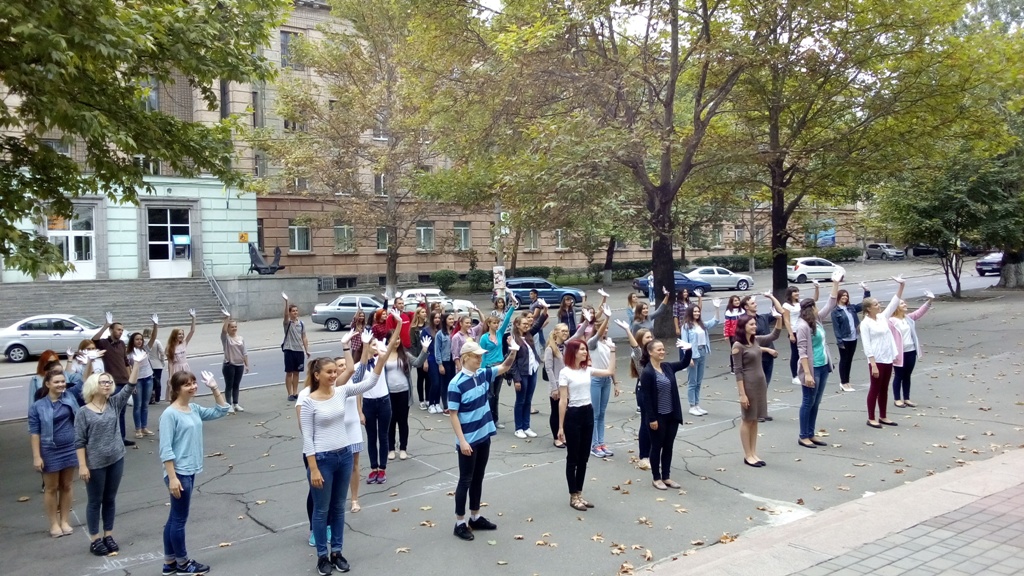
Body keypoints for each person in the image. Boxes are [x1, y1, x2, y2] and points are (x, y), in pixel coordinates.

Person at [301, 335, 397, 575]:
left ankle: (337, 552)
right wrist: (313, 468)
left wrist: (380, 359)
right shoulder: (309, 401)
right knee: (321, 511)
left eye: (335, 372)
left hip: (343, 456)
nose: (334, 375)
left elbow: (370, 382)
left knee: (338, 508)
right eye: (329, 372)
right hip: (322, 460)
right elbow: (307, 438)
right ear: (317, 375)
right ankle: (322, 557)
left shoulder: (341, 392)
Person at [159, 369, 230, 576]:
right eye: (187, 384)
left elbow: (222, 410)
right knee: (179, 520)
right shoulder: (170, 414)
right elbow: (165, 450)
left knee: (174, 518)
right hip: (179, 473)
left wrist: (214, 388)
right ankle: (183, 564)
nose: (192, 387)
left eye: (193, 383)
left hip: (189, 470)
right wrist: (173, 478)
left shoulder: (194, 408)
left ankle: (170, 563)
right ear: (176, 389)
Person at [75, 352, 145, 555]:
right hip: (95, 464)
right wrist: (82, 465)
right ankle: (95, 539)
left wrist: (137, 364)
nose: (107, 385)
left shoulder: (114, 403)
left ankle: (108, 535)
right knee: (94, 501)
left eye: (109, 382)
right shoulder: (83, 412)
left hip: (116, 459)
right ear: (93, 385)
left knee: (110, 499)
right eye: (103, 382)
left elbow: (130, 386)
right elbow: (79, 441)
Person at [448, 338, 517, 541]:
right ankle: (460, 522)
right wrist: (462, 441)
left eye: (480, 356)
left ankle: (475, 517)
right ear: (465, 358)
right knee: (465, 480)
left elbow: (504, 367)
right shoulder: (456, 384)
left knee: (478, 477)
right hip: (468, 440)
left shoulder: (483, 373)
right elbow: (453, 414)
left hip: (484, 435)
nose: (480, 359)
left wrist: (513, 351)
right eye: (476, 356)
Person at [557, 339, 616, 510]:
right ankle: (573, 496)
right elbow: (563, 400)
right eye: (582, 349)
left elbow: (609, 371)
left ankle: (579, 493)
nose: (585, 352)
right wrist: (561, 427)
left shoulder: (587, 370)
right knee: (573, 457)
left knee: (584, 457)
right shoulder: (565, 372)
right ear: (573, 352)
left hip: (588, 412)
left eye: (585, 349)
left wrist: (612, 351)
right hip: (573, 414)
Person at [28, 368, 85, 538]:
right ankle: (53, 523)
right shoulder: (38, 406)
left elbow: (83, 381)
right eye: (57, 382)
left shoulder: (69, 397)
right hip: (50, 451)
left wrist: (89, 361)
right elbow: (34, 433)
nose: (61, 384)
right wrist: (37, 456)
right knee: (51, 488)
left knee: (67, 485)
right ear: (47, 384)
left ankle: (65, 521)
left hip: (70, 448)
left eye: (63, 381)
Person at [795, 273, 842, 449]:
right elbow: (802, 352)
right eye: (816, 306)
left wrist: (835, 283)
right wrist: (807, 374)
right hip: (812, 368)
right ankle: (803, 436)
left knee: (816, 401)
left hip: (823, 366)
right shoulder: (802, 326)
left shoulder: (817, 320)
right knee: (808, 401)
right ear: (811, 308)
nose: (818, 308)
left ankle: (811, 433)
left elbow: (831, 303)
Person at [640, 339, 693, 489]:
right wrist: (652, 419)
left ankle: (666, 477)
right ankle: (656, 478)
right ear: (650, 352)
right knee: (656, 446)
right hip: (657, 417)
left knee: (668, 446)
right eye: (659, 350)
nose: (662, 352)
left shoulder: (667, 367)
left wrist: (688, 350)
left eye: (663, 349)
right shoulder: (647, 372)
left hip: (671, 415)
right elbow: (646, 398)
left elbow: (684, 363)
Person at [732, 312, 783, 467]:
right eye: (752, 324)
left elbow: (774, 335)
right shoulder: (738, 346)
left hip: (760, 385)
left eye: (755, 324)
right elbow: (738, 371)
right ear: (743, 327)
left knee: (755, 420)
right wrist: (742, 394)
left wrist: (779, 318)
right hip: (748, 386)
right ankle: (747, 455)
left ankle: (754, 453)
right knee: (747, 420)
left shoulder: (755, 341)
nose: (755, 326)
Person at [860, 277, 906, 428]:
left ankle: (883, 416)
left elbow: (894, 303)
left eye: (878, 303)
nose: (879, 305)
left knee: (884, 388)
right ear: (868, 309)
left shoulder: (882, 317)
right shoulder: (865, 323)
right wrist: (873, 364)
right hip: (876, 359)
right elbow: (867, 345)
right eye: (875, 304)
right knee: (875, 388)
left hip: (887, 357)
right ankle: (871, 417)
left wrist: (901, 285)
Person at [738, 291, 788, 422]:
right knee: (755, 387)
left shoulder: (762, 318)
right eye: (752, 303)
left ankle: (762, 412)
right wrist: (767, 349)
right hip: (756, 357)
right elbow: (749, 345)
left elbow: (780, 311)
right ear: (746, 307)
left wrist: (771, 297)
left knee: (764, 385)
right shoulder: (744, 323)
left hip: (768, 356)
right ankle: (755, 413)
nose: (756, 304)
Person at [615, 319, 653, 470]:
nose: (651, 339)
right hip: (644, 392)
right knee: (646, 423)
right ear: (640, 340)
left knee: (655, 424)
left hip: (655, 392)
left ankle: (653, 453)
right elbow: (635, 347)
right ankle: (644, 456)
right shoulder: (639, 355)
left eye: (651, 336)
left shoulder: (654, 352)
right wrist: (627, 330)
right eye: (647, 337)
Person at [387, 332, 431, 461]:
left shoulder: (405, 355)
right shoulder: (383, 355)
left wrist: (424, 350)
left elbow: (417, 363)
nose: (396, 341)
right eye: (393, 339)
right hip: (388, 394)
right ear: (388, 341)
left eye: (398, 338)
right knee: (390, 421)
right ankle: (391, 449)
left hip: (404, 392)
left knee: (402, 421)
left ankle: (403, 448)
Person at [93, 312, 134, 446]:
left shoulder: (122, 344)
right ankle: (112, 438)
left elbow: (126, 362)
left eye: (122, 330)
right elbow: (94, 340)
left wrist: (131, 381)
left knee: (121, 412)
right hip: (112, 383)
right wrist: (106, 325)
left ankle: (121, 438)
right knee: (112, 412)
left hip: (124, 382)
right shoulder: (104, 343)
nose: (120, 332)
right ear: (111, 330)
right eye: (118, 329)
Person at [890, 290, 934, 408]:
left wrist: (930, 300)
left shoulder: (908, 318)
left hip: (911, 351)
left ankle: (907, 398)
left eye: (905, 303)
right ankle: (897, 399)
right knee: (898, 375)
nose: (905, 304)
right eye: (902, 303)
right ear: (896, 307)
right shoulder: (891, 321)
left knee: (907, 375)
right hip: (899, 353)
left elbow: (920, 312)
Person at [510, 307, 548, 439]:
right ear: (517, 325)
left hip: (532, 371)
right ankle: (518, 428)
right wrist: (516, 379)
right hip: (522, 374)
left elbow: (537, 325)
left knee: (528, 400)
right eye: (524, 324)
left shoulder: (528, 335)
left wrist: (544, 311)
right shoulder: (513, 339)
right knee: (520, 401)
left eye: (528, 324)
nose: (527, 326)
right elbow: (512, 362)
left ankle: (526, 426)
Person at [361, 333, 394, 485]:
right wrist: (359, 412)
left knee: (383, 436)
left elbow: (391, 344)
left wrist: (399, 325)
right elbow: (357, 390)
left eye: (376, 344)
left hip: (384, 401)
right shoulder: (360, 365)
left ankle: (382, 468)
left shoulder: (379, 360)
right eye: (373, 344)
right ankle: (373, 468)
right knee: (371, 437)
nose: (376, 347)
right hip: (368, 403)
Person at [680, 300, 723, 416]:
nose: (697, 313)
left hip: (702, 352)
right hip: (693, 354)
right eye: (694, 311)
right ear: (690, 312)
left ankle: (697, 404)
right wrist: (688, 358)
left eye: (698, 311)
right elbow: (684, 343)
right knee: (692, 381)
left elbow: (715, 321)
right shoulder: (686, 326)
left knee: (699, 381)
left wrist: (717, 308)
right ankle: (692, 406)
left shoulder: (702, 324)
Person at [586, 308, 618, 457]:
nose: (605, 330)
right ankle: (594, 445)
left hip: (606, 380)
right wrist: (607, 318)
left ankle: (601, 442)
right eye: (603, 328)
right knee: (595, 413)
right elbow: (598, 334)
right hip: (596, 379)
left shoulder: (609, 342)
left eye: (607, 328)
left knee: (602, 413)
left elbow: (612, 365)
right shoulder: (592, 343)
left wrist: (616, 383)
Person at [480, 300, 517, 429]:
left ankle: (495, 419)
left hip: (499, 367)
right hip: (488, 367)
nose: (497, 325)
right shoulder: (484, 338)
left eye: (497, 323)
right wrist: (482, 369)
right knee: (489, 395)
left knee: (496, 394)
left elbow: (506, 319)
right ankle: (488, 419)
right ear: (489, 324)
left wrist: (512, 307)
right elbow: (482, 354)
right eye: (494, 323)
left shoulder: (500, 334)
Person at [831, 283, 871, 392]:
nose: (845, 297)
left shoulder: (851, 308)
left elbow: (864, 305)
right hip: (844, 339)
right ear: (839, 297)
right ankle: (843, 382)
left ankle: (847, 381)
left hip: (853, 337)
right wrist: (840, 342)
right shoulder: (835, 311)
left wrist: (866, 291)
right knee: (844, 360)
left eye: (846, 295)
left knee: (849, 360)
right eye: (843, 295)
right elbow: (836, 328)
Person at [127, 315, 159, 438]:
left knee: (145, 404)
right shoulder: (129, 354)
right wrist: (132, 384)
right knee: (138, 405)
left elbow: (153, 337)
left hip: (148, 378)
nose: (139, 341)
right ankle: (138, 429)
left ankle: (144, 427)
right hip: (137, 381)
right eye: (137, 339)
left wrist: (155, 325)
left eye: (141, 339)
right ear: (132, 341)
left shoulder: (145, 349)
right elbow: (128, 369)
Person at [783, 282, 819, 386]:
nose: (797, 293)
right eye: (795, 292)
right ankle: (794, 376)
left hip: (803, 329)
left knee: (804, 353)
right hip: (794, 331)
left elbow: (814, 300)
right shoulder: (786, 305)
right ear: (790, 294)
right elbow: (786, 320)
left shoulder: (800, 303)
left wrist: (816, 288)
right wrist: (791, 334)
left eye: (798, 291)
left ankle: (803, 372)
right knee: (795, 354)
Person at [543, 323, 571, 447]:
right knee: (556, 412)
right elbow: (549, 369)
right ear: (556, 332)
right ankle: (556, 437)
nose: (565, 333)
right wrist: (554, 388)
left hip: (567, 385)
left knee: (566, 411)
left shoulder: (567, 346)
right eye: (563, 331)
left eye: (566, 331)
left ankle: (563, 434)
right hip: (557, 385)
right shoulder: (550, 349)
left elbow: (579, 334)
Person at [282, 293, 310, 402]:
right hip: (289, 350)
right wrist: (286, 302)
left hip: (299, 351)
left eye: (296, 310)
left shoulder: (301, 324)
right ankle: (289, 393)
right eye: (293, 311)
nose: (295, 312)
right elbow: (285, 315)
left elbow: (304, 337)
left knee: (297, 372)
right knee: (289, 372)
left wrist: (307, 350)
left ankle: (295, 392)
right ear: (290, 313)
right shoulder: (287, 323)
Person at [220, 310, 250, 414]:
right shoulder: (226, 339)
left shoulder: (241, 338)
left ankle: (236, 404)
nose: (234, 328)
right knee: (229, 385)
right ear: (228, 328)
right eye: (232, 327)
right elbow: (223, 331)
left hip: (239, 365)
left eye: (235, 327)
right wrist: (227, 318)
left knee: (236, 385)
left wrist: (246, 365)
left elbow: (244, 352)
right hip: (229, 365)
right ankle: (228, 405)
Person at [167, 309, 197, 375]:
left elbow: (192, 331)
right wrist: (170, 377)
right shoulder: (170, 347)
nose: (181, 336)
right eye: (179, 334)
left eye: (182, 334)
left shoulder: (184, 343)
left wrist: (194, 317)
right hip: (176, 369)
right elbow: (170, 363)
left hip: (185, 368)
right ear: (174, 335)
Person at [723, 296, 743, 373]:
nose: (737, 302)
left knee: (743, 350)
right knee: (734, 351)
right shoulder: (729, 312)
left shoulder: (742, 310)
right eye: (735, 300)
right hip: (733, 335)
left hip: (742, 334)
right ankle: (733, 368)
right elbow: (727, 324)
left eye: (738, 300)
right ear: (731, 302)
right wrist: (726, 335)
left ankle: (742, 367)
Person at [148, 329, 166, 403]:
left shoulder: (143, 342)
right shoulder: (156, 341)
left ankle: (149, 398)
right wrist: (162, 361)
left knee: (148, 382)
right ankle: (157, 398)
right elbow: (162, 352)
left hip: (147, 365)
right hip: (157, 364)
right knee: (157, 381)